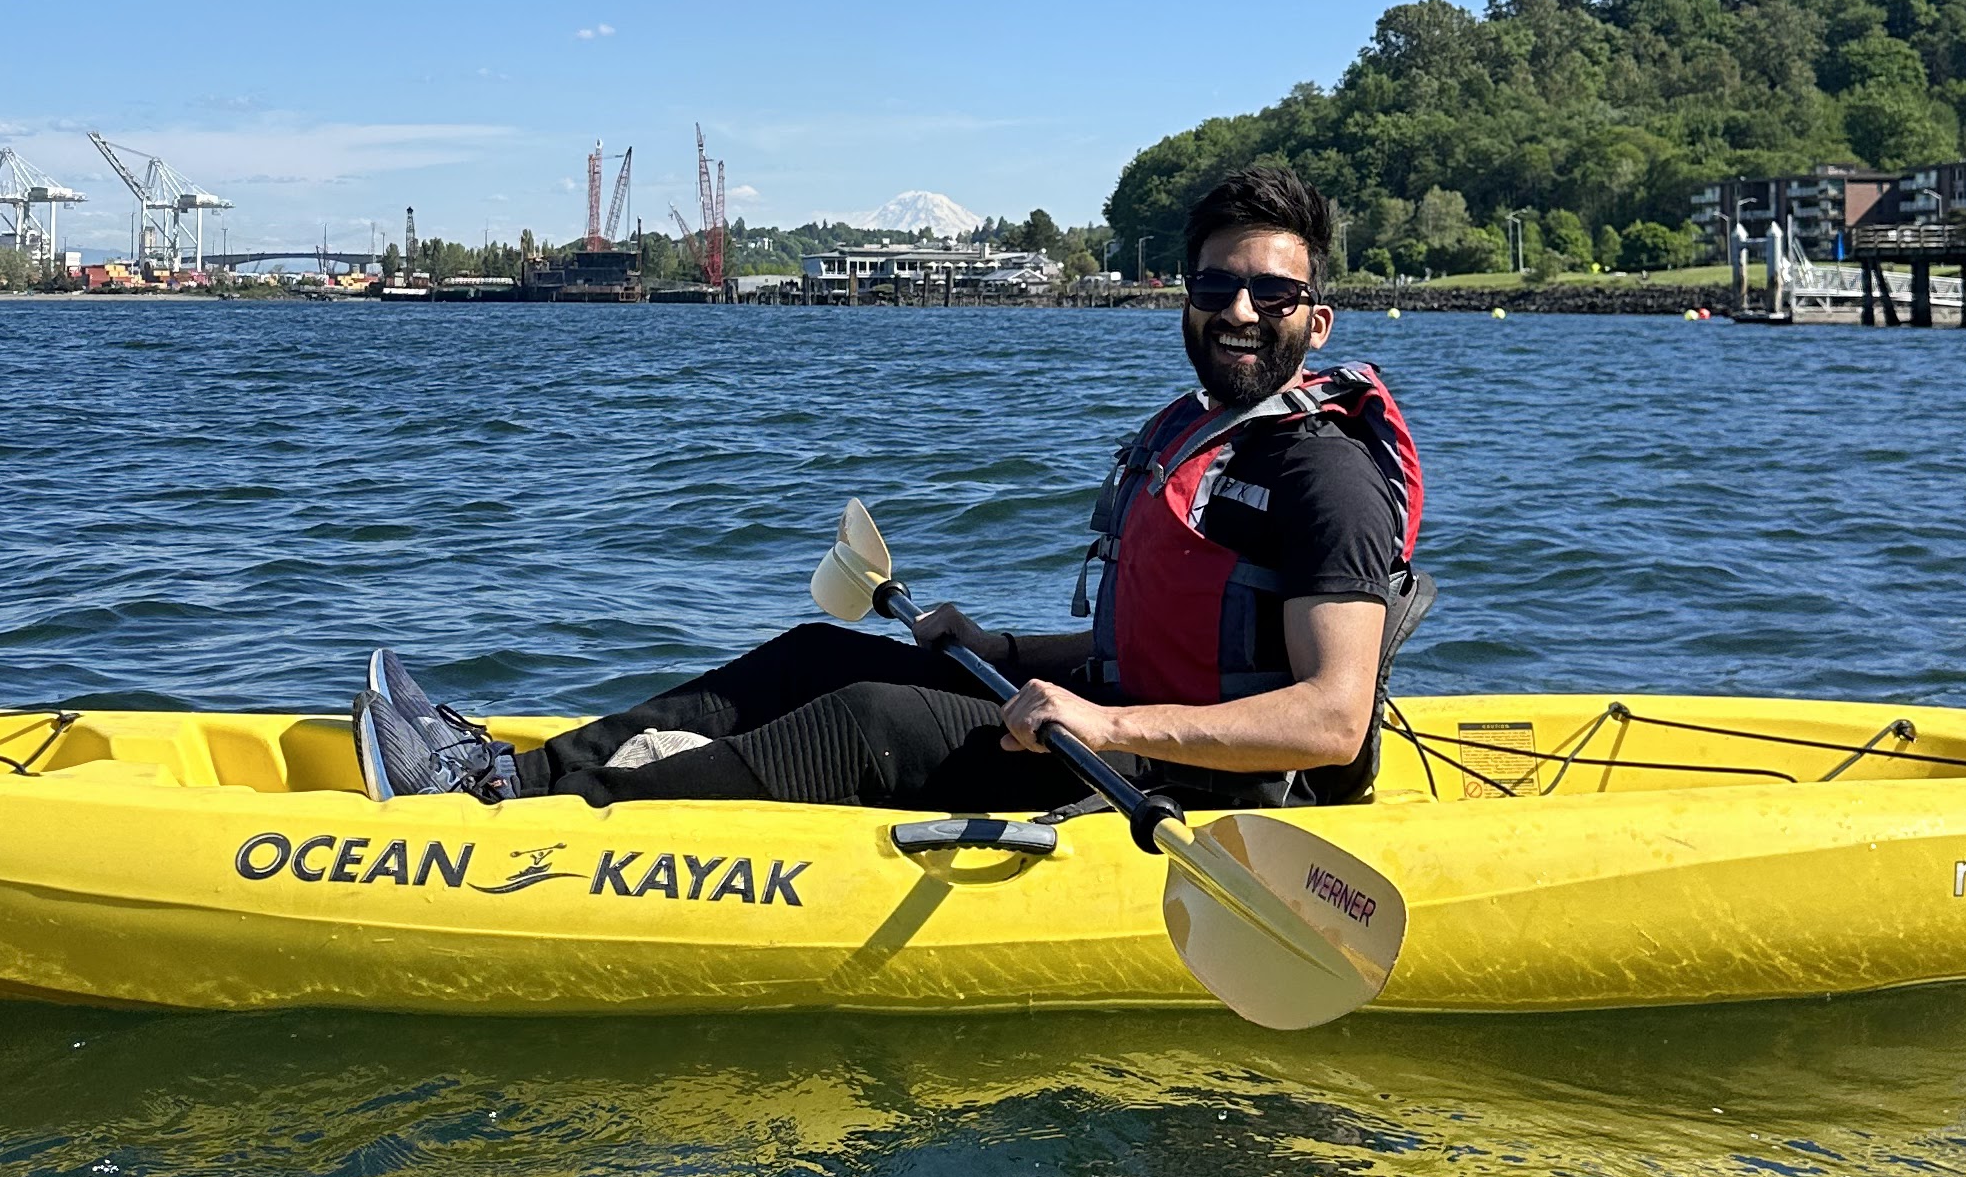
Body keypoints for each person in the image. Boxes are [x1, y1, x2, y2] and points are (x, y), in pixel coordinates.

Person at [354, 162, 1426, 817]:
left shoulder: (1322, 474)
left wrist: (1105, 731)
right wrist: (998, 651)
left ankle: (525, 825)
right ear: (1184, 300)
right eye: (1216, 284)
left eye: (1272, 292)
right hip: (1120, 733)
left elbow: (1331, 720)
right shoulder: (1191, 437)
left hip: (1203, 790)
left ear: (1315, 320)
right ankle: (517, 773)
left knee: (867, 716)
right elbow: (1144, 658)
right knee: (821, 653)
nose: (1241, 308)